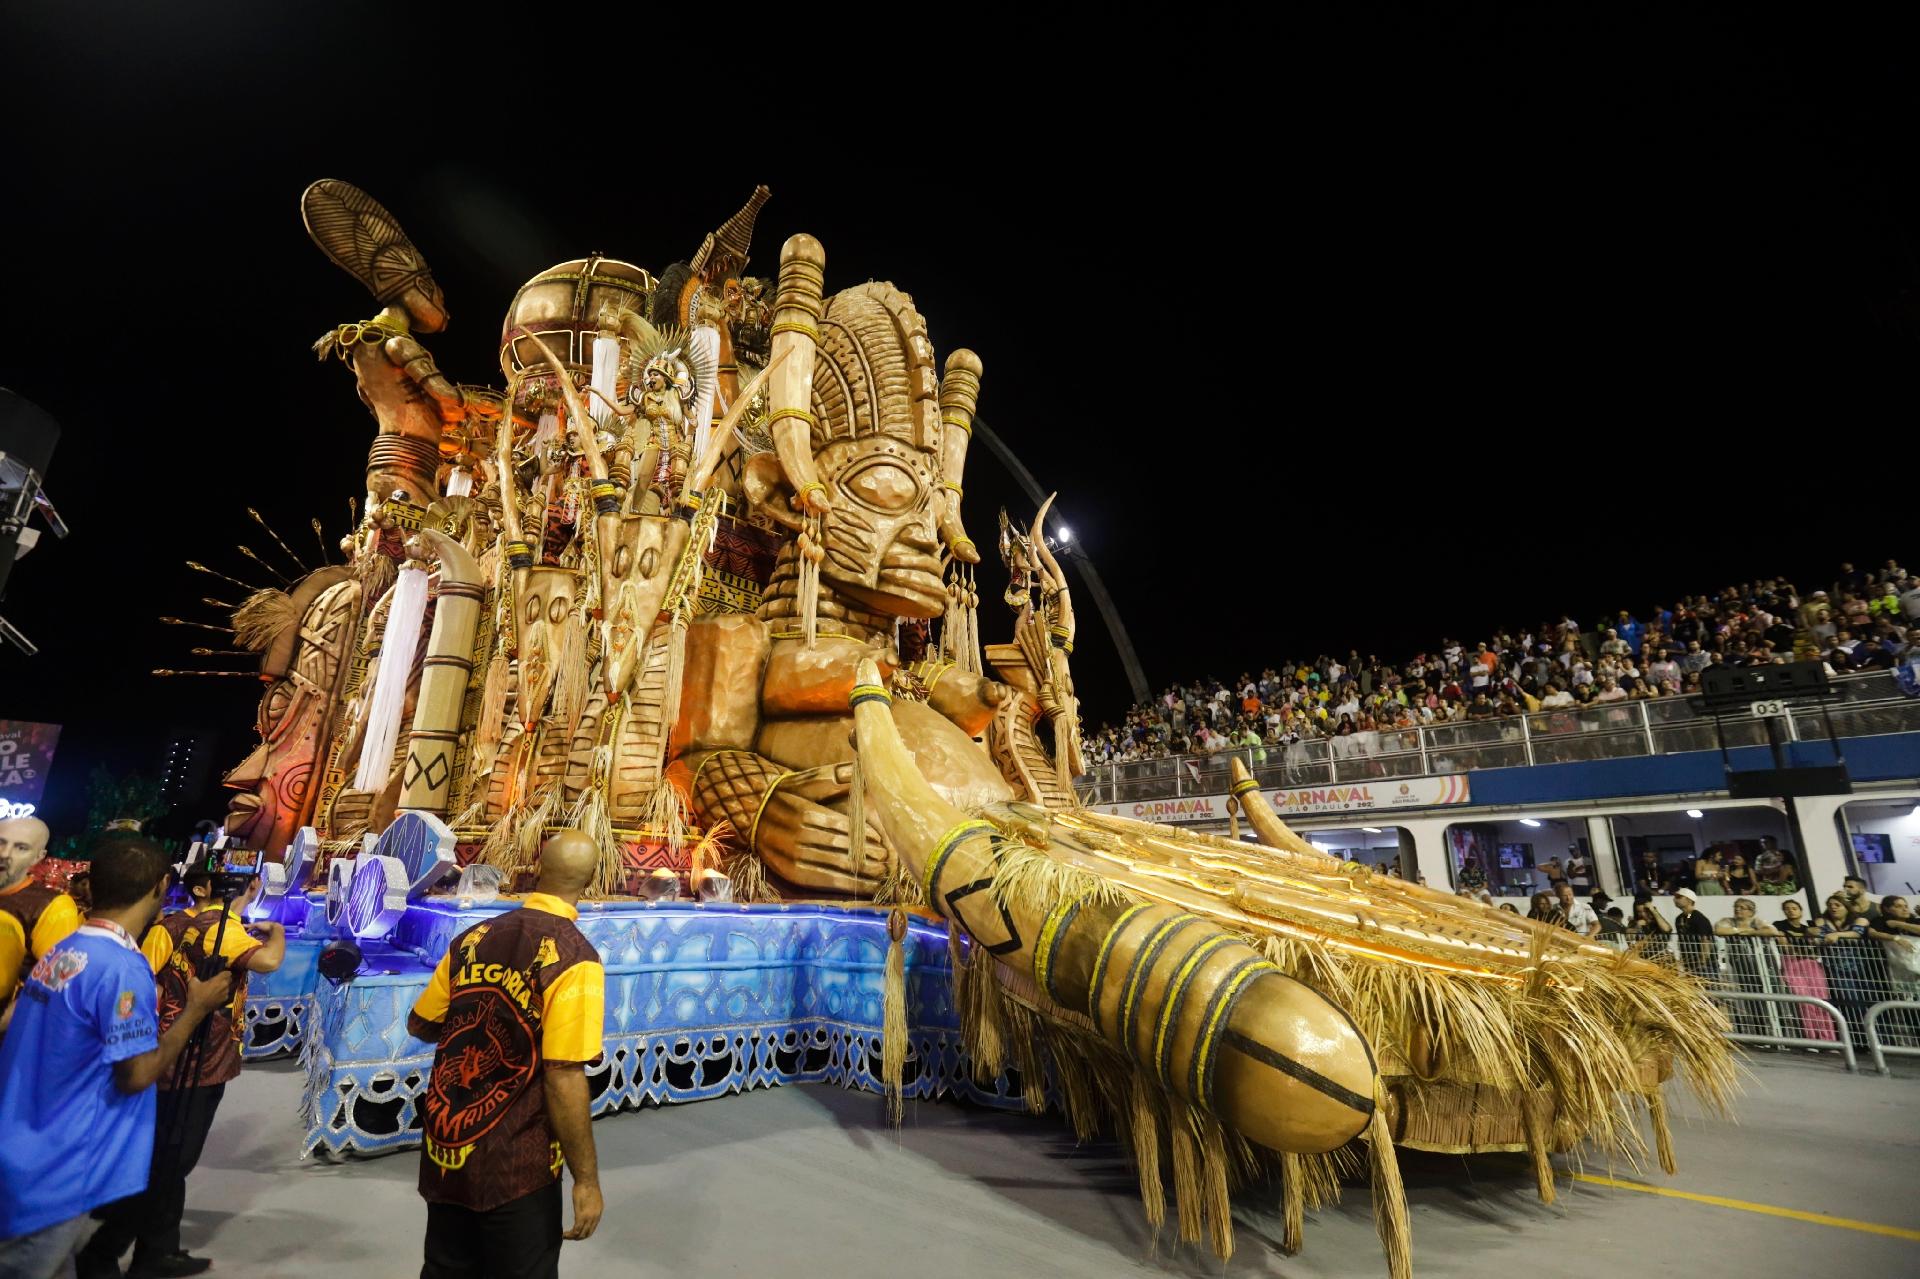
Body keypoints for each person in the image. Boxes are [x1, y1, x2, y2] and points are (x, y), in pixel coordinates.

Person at [0, 838, 231, 1279]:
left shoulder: (66, 948)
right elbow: (136, 1074)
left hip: (24, 1145)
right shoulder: (123, 967)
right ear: (161, 886)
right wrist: (195, 1010)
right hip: (59, 1170)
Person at [409, 829, 606, 1279]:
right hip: (517, 1163)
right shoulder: (576, 959)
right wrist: (588, 1182)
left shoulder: (472, 938)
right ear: (591, 881)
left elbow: (420, 1025)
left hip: (448, 1146)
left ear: (536, 869)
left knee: (444, 1267)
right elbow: (563, 1077)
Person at [81, 862, 287, 1278]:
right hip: (201, 1057)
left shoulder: (168, 926)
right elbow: (268, 961)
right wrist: (277, 932)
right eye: (248, 884)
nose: (250, 889)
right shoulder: (222, 925)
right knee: (171, 1162)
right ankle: (106, 1247)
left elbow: (146, 974)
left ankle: (157, 1250)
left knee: (166, 1157)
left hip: (160, 1047)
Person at [0, 816, 83, 1016]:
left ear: (38, 857)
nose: (5, 854)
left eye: (21, 847)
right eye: (1, 842)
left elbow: (55, 984)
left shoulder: (51, 907)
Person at [1714, 897, 1780, 1036]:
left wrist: (1749, 932)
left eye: (1742, 907)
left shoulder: (1757, 921)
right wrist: (1741, 930)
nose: (1737, 909)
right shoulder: (1728, 921)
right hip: (1740, 967)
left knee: (1766, 997)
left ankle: (1774, 1031)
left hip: (1761, 966)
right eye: (1736, 907)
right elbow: (1719, 930)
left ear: (1751, 911)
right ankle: (1755, 1032)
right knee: (1747, 1000)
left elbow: (1772, 931)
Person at [1816, 895, 1875, 1049]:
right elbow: (1817, 936)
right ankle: (1858, 1041)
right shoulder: (1823, 921)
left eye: (1837, 904)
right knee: (1850, 1004)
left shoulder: (1859, 920)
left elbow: (1856, 935)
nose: (1833, 907)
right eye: (1830, 905)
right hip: (1836, 970)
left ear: (1846, 907)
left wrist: (1837, 934)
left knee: (1867, 1003)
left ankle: (1872, 1039)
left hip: (1862, 969)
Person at [1774, 900, 1837, 1042]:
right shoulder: (1779, 925)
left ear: (1801, 911)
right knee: (1804, 1002)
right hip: (1792, 965)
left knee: (1821, 1000)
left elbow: (1816, 950)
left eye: (1794, 908)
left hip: (1812, 966)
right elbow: (1785, 947)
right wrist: (1806, 949)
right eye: (1787, 909)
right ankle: (1811, 1039)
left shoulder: (1809, 926)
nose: (1791, 911)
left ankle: (1828, 1039)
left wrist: (1805, 948)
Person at [1672, 888, 1716, 982]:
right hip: (1690, 963)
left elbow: (1705, 940)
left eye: (1679, 897)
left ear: (1689, 900)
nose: (1675, 899)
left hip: (1703, 964)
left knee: (1709, 992)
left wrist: (1702, 962)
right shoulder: (1682, 918)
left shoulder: (1699, 918)